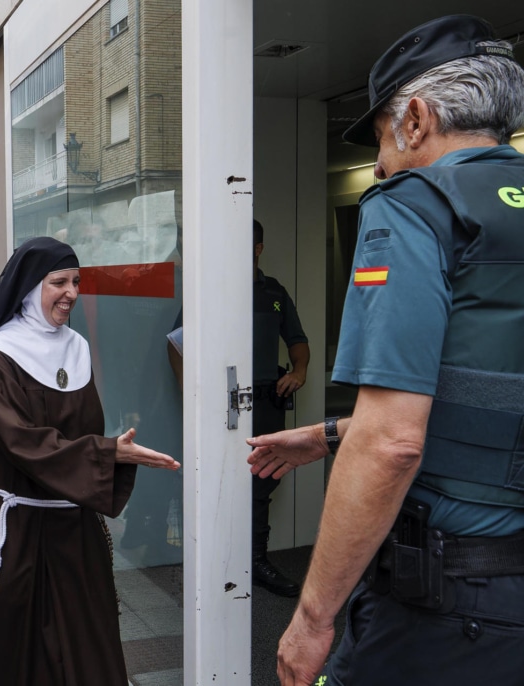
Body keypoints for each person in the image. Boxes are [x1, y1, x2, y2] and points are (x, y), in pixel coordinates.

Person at [247, 15, 524, 686]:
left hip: (451, 601)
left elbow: (395, 442)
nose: (378, 164)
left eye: (380, 138)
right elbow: (486, 386)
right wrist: (337, 429)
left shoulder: (414, 205)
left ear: (417, 119)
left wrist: (312, 619)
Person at [0, 237, 180, 685]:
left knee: (83, 638)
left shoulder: (77, 348)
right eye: (59, 282)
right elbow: (21, 441)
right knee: (2, 641)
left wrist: (106, 449)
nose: (72, 292)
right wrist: (108, 453)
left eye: (76, 281)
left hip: (67, 521)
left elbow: (81, 428)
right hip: (5, 528)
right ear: (29, 288)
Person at [251, 219, 309, 596]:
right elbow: (177, 344)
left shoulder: (273, 292)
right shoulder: (213, 288)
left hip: (265, 400)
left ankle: (256, 561)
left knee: (263, 481)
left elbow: (298, 340)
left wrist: (300, 371)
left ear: (258, 248)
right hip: (223, 405)